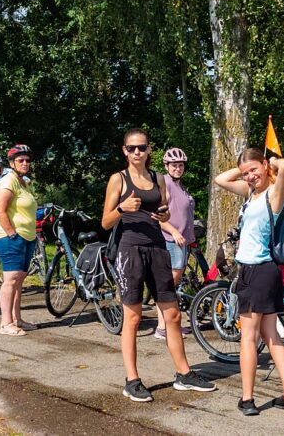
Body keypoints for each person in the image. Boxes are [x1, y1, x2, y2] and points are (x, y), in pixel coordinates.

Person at [101, 128, 216, 402]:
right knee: (133, 317)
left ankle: (184, 374)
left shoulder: (158, 178)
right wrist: (122, 209)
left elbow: (161, 210)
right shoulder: (118, 180)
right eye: (132, 148)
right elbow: (105, 222)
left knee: (173, 314)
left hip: (157, 248)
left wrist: (163, 214)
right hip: (130, 249)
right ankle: (132, 380)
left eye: (141, 147)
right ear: (124, 151)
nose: (137, 152)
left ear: (149, 149)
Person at [214, 147, 284, 416]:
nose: (250, 176)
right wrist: (245, 167)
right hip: (258, 272)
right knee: (271, 336)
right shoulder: (252, 193)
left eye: (254, 170)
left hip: (258, 270)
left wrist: (271, 162)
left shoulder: (274, 194)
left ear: (264, 165)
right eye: (245, 173)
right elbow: (221, 180)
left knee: (248, 339)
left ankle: (248, 399)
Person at [0, 145, 39, 336]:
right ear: (12, 163)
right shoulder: (8, 181)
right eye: (20, 160)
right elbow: (0, 210)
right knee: (10, 280)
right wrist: (11, 232)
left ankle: (17, 319)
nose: (25, 163)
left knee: (19, 280)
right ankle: (5, 323)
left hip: (27, 236)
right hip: (10, 237)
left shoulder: (24, 182)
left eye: (27, 160)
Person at [154, 147, 195, 340]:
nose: (178, 168)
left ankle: (171, 324)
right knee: (168, 282)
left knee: (173, 283)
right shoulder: (166, 184)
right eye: (174, 165)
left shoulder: (180, 185)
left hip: (182, 240)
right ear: (167, 166)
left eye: (180, 165)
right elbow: (159, 216)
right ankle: (163, 327)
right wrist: (175, 232)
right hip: (171, 239)